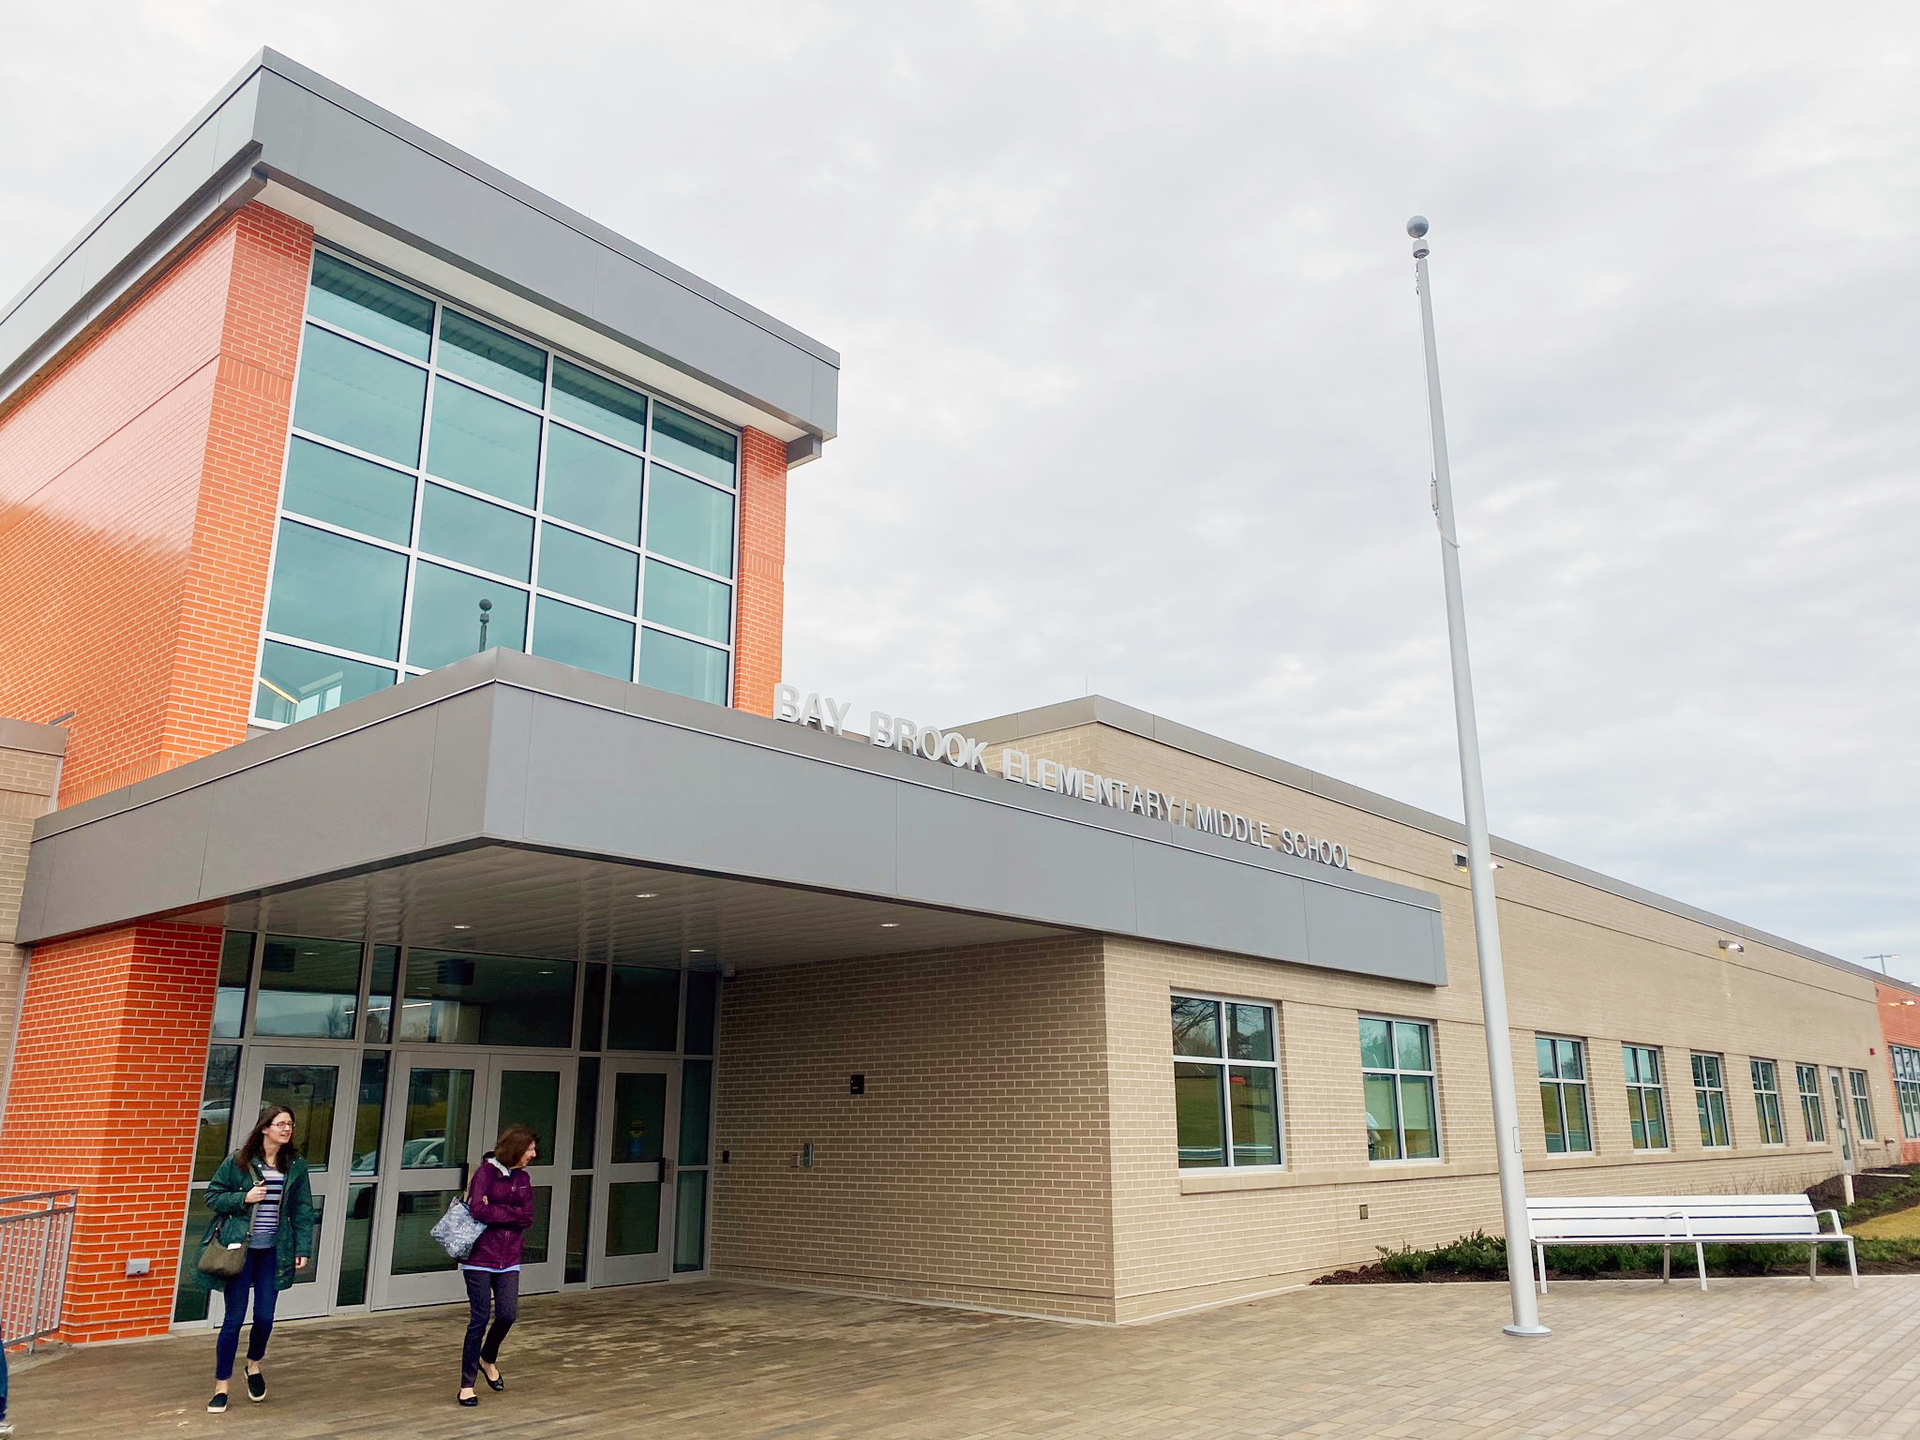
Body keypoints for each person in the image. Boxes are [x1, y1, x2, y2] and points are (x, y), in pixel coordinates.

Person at [200, 1106, 315, 1413]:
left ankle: (253, 1366)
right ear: (265, 1128)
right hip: (240, 1251)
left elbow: (302, 1209)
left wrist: (302, 1248)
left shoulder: (295, 1165)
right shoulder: (239, 1161)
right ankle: (221, 1386)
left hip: (273, 1252)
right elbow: (211, 1195)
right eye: (281, 1124)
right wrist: (244, 1198)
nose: (287, 1129)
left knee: (265, 1316)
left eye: (290, 1124)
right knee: (233, 1320)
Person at [457, 1124, 537, 1407]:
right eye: (530, 1150)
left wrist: (497, 1211)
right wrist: (509, 1212)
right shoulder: (485, 1173)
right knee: (479, 1319)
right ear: (516, 1150)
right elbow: (478, 1209)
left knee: (507, 1314)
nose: (533, 1155)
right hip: (479, 1258)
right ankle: (467, 1384)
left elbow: (527, 1217)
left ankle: (487, 1357)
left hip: (509, 1257)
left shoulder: (523, 1179)